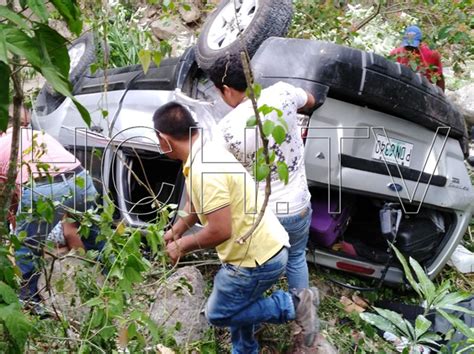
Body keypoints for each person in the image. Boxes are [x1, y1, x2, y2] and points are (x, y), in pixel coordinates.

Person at [153, 102, 320, 352]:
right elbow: (196, 208)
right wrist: (176, 230)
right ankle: (244, 349)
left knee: (218, 314)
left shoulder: (204, 169)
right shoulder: (203, 154)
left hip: (255, 261)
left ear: (165, 139)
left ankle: (293, 305)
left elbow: (220, 231)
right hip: (265, 247)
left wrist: (182, 246)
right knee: (241, 303)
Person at [207, 55, 316, 293]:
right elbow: (310, 99)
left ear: (225, 90)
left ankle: (254, 317)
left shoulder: (224, 130)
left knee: (256, 270)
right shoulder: (283, 93)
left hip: (263, 217)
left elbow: (218, 179)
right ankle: (305, 323)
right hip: (299, 206)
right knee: (297, 258)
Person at [0, 105, 101, 302]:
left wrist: (11, 224)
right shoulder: (38, 134)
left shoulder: (3, 143)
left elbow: (4, 197)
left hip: (44, 189)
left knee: (27, 248)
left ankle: (29, 301)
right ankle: (117, 275)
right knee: (96, 235)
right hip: (80, 179)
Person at [390, 25, 445, 91]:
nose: (410, 49)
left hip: (423, 90)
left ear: (420, 43)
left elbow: (439, 77)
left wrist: (439, 98)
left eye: (413, 46)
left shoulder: (432, 55)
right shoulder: (395, 53)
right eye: (408, 46)